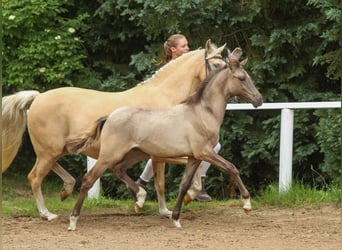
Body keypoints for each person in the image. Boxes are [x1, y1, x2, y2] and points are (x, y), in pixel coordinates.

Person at [136, 34, 220, 201]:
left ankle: (143, 181)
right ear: (173, 49)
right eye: (184, 46)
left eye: (187, 45)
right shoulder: (170, 71)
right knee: (159, 150)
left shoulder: (190, 69)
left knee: (215, 146)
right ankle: (144, 181)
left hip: (184, 117)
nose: (187, 48)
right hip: (172, 117)